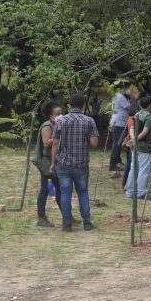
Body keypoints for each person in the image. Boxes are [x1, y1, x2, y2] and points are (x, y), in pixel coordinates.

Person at [49, 93, 99, 232]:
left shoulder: (60, 121)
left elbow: (55, 144)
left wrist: (53, 163)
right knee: (83, 192)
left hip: (64, 163)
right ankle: (87, 222)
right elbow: (94, 143)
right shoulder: (89, 121)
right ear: (84, 106)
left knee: (65, 193)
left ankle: (67, 224)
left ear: (69, 106)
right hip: (81, 164)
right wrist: (84, 141)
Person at [35, 100, 63, 227]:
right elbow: (46, 142)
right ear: (51, 116)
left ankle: (67, 216)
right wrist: (59, 138)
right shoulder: (47, 126)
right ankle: (41, 218)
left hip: (53, 161)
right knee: (45, 189)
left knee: (59, 190)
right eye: (58, 114)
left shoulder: (57, 125)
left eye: (62, 113)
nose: (61, 116)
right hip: (45, 162)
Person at [126, 96, 151, 200]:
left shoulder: (137, 114)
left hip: (136, 147)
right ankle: (140, 193)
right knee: (143, 171)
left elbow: (131, 128)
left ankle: (130, 192)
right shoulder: (149, 116)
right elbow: (145, 131)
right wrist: (135, 139)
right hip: (146, 147)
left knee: (133, 169)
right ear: (150, 105)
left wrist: (133, 139)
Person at [108, 84, 131, 172]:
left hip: (117, 123)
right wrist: (134, 99)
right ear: (121, 89)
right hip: (119, 124)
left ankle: (118, 162)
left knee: (117, 144)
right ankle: (112, 165)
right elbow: (129, 108)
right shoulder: (120, 96)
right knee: (117, 145)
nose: (127, 90)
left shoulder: (117, 96)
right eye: (126, 88)